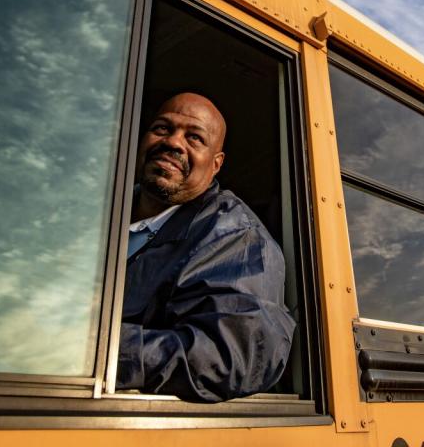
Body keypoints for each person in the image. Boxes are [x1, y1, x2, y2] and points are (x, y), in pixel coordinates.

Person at [117, 92, 295, 402]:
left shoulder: (238, 239)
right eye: (162, 128)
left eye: (194, 137)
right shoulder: (98, 208)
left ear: (216, 164)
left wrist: (96, 347)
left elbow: (229, 358)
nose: (173, 142)